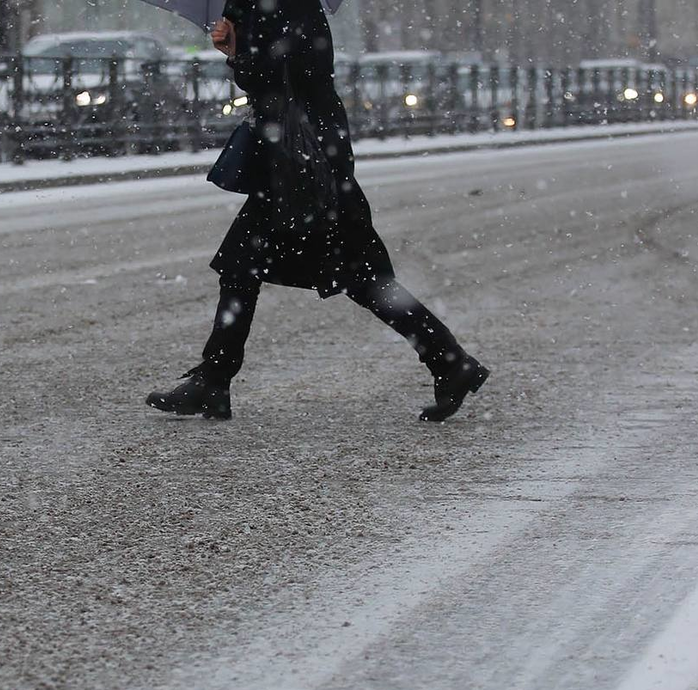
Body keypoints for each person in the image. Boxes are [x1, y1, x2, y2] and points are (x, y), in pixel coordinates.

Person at [146, 0, 489, 422]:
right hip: (306, 152)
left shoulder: (280, 5)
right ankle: (214, 380)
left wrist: (236, 52)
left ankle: (449, 359)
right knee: (253, 265)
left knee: (355, 275)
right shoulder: (277, 5)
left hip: (304, 159)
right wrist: (238, 46)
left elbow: (276, 74)